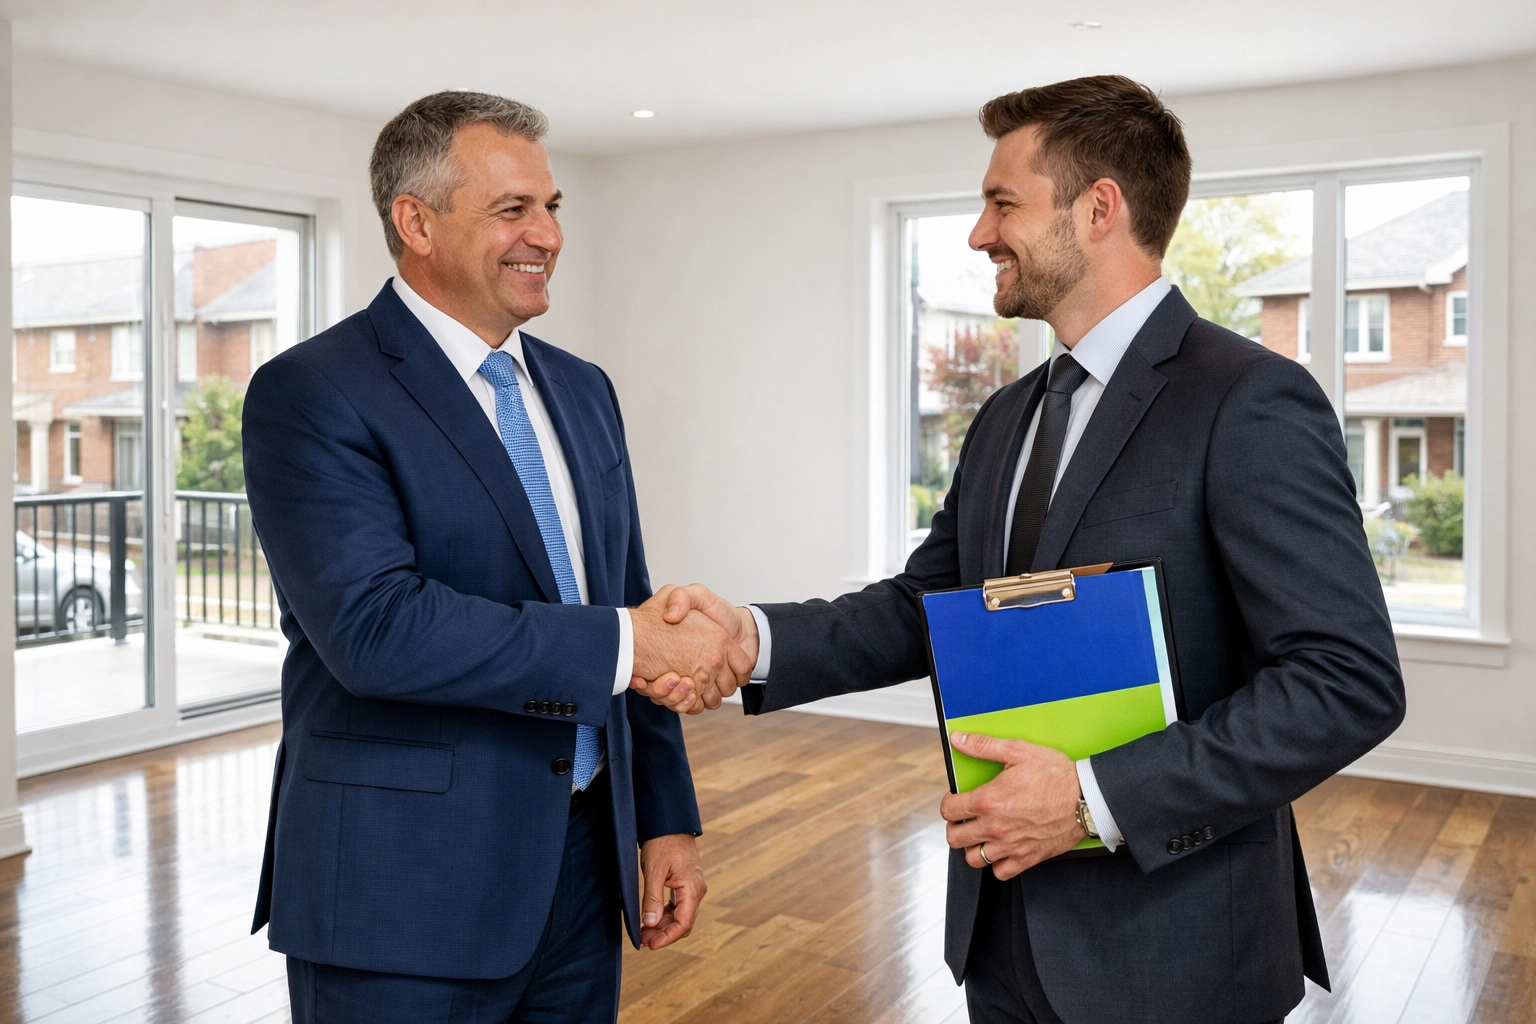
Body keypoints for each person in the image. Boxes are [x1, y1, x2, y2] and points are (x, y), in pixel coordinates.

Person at [636, 75, 1405, 1024]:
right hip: (1001, 937)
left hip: (1178, 953)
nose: (978, 233)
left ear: (1098, 209)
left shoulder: (1248, 399)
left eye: (1003, 202)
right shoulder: (1007, 416)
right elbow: (929, 605)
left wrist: (1091, 799)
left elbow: (1346, 679)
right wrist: (749, 641)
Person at [243, 91, 752, 1024]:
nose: (547, 235)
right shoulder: (312, 392)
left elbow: (625, 601)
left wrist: (666, 815)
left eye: (553, 207)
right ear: (416, 222)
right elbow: (376, 630)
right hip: (404, 885)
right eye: (513, 210)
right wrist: (632, 644)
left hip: (584, 867)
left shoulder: (581, 388)